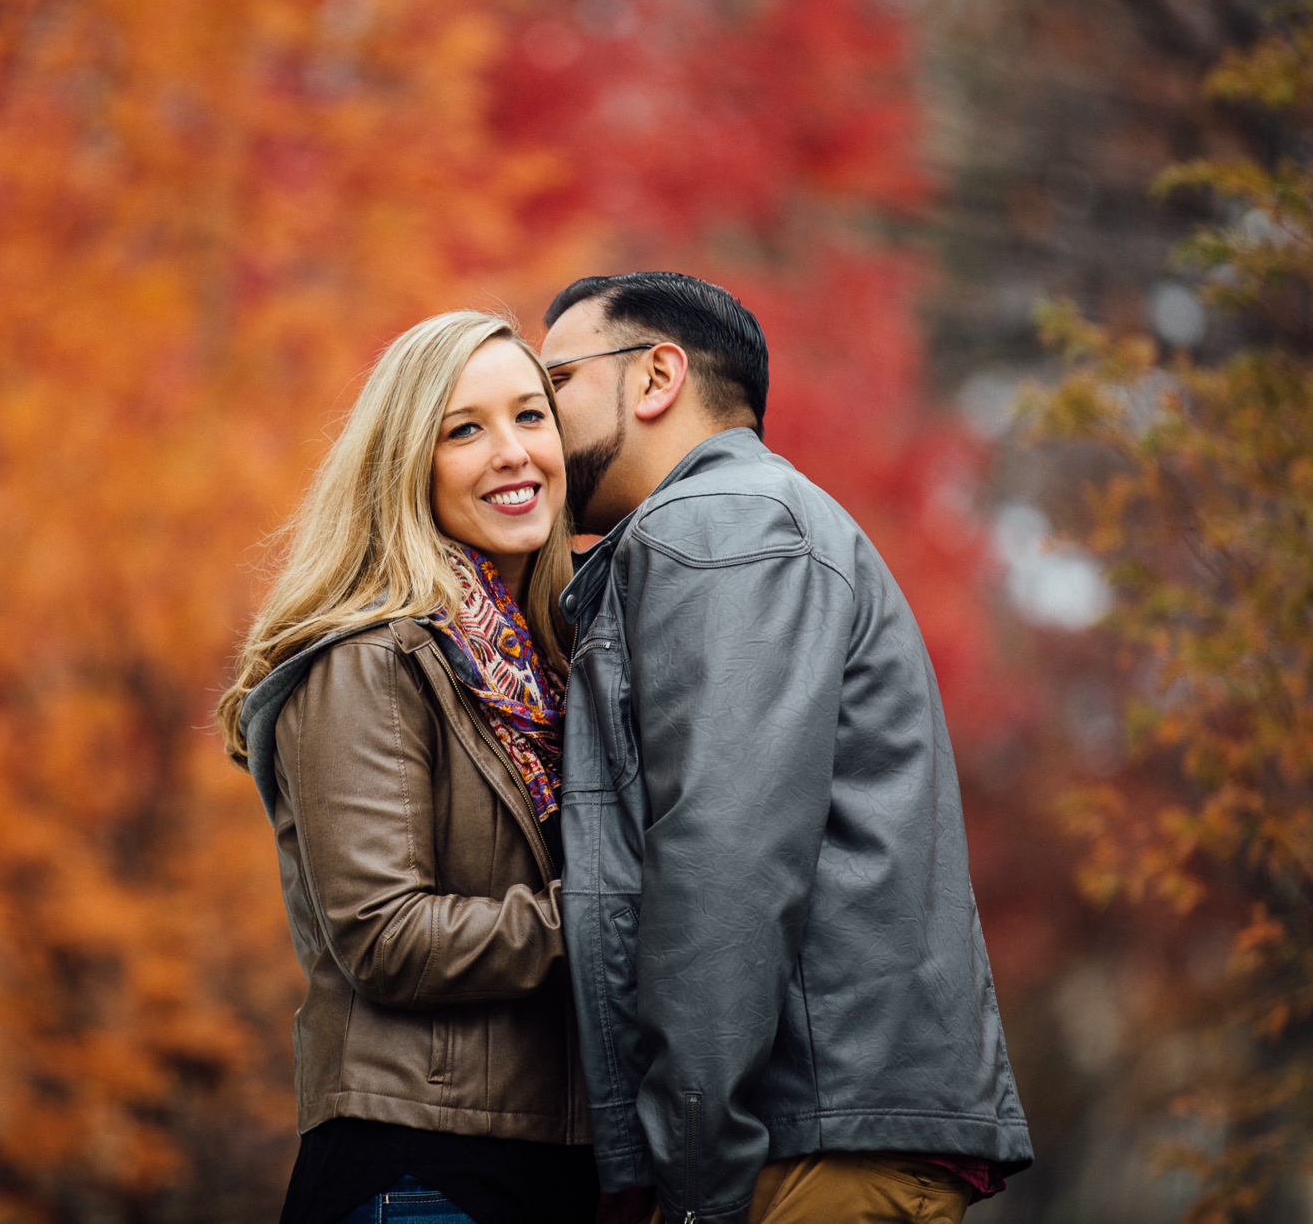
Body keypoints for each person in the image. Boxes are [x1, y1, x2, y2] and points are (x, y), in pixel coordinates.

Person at [537, 273, 1032, 1224]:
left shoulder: (718, 528)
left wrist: (689, 1184)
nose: (534, 432)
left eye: (553, 383)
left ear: (656, 378)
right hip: (818, 1132)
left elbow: (724, 864)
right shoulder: (751, 522)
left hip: (798, 1149)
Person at [217, 311, 598, 1224]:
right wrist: (610, 912)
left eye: (530, 416)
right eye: (464, 429)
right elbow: (387, 935)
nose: (511, 451)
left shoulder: (546, 666)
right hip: (421, 1171)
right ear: (404, 466)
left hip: (545, 1159)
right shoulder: (372, 658)